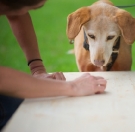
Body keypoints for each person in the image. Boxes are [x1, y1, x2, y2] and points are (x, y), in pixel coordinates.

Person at [0, 0, 107, 130]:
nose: (25, 11)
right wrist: (72, 87)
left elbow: (16, 13)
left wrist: (37, 69)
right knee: (27, 118)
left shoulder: (10, 6)